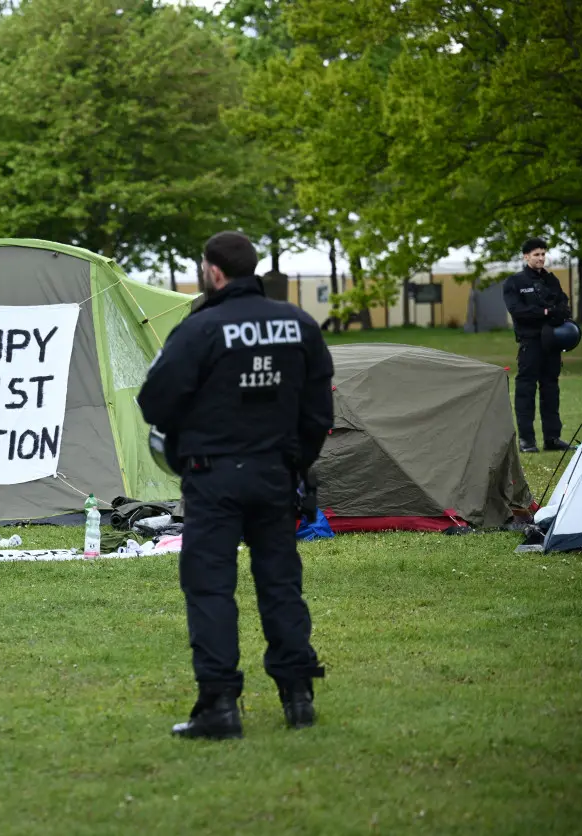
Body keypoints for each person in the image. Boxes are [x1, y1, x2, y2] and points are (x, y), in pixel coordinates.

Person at [138, 231, 332, 741]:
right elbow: (318, 414)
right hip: (276, 475)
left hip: (212, 477)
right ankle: (299, 698)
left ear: (214, 272)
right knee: (281, 584)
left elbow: (154, 402)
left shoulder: (199, 328)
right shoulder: (300, 325)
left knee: (210, 587)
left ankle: (220, 706)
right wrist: (294, 466)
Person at [502, 237, 575, 453]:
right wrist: (545, 312)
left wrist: (553, 313)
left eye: (543, 254)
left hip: (552, 344)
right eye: (536, 254)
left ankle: (552, 438)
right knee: (525, 391)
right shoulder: (515, 282)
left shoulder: (552, 281)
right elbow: (518, 311)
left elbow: (563, 306)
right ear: (526, 257)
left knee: (551, 390)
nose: (541, 258)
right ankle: (527, 441)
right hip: (530, 344)